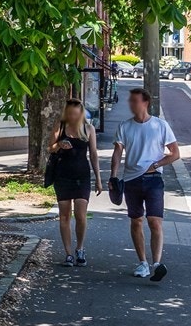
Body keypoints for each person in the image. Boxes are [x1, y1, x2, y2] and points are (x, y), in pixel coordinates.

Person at [110, 88, 179, 282]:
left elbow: (175, 153)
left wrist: (156, 164)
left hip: (153, 179)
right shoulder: (125, 126)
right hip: (131, 179)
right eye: (130, 101)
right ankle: (142, 262)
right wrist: (113, 177)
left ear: (145, 102)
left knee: (155, 221)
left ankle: (156, 263)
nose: (131, 104)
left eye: (135, 101)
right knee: (136, 220)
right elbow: (117, 152)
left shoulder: (160, 125)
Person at [48, 98, 100, 267]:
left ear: (81, 113)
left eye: (76, 114)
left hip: (82, 176)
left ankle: (80, 248)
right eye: (69, 113)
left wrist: (98, 179)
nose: (72, 117)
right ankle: (68, 253)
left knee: (80, 214)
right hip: (62, 176)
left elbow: (93, 154)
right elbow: (50, 148)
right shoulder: (60, 126)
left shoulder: (88, 129)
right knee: (64, 215)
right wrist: (59, 145)